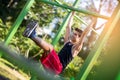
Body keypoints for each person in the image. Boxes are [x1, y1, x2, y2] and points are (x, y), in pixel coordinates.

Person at [23, 12, 93, 75]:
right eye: (74, 33)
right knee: (46, 50)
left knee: (50, 48)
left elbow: (84, 34)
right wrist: (72, 15)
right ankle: (32, 35)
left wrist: (93, 21)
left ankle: (32, 35)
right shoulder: (67, 42)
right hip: (52, 64)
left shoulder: (76, 48)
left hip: (58, 68)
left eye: (78, 35)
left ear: (80, 39)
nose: (75, 35)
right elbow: (68, 27)